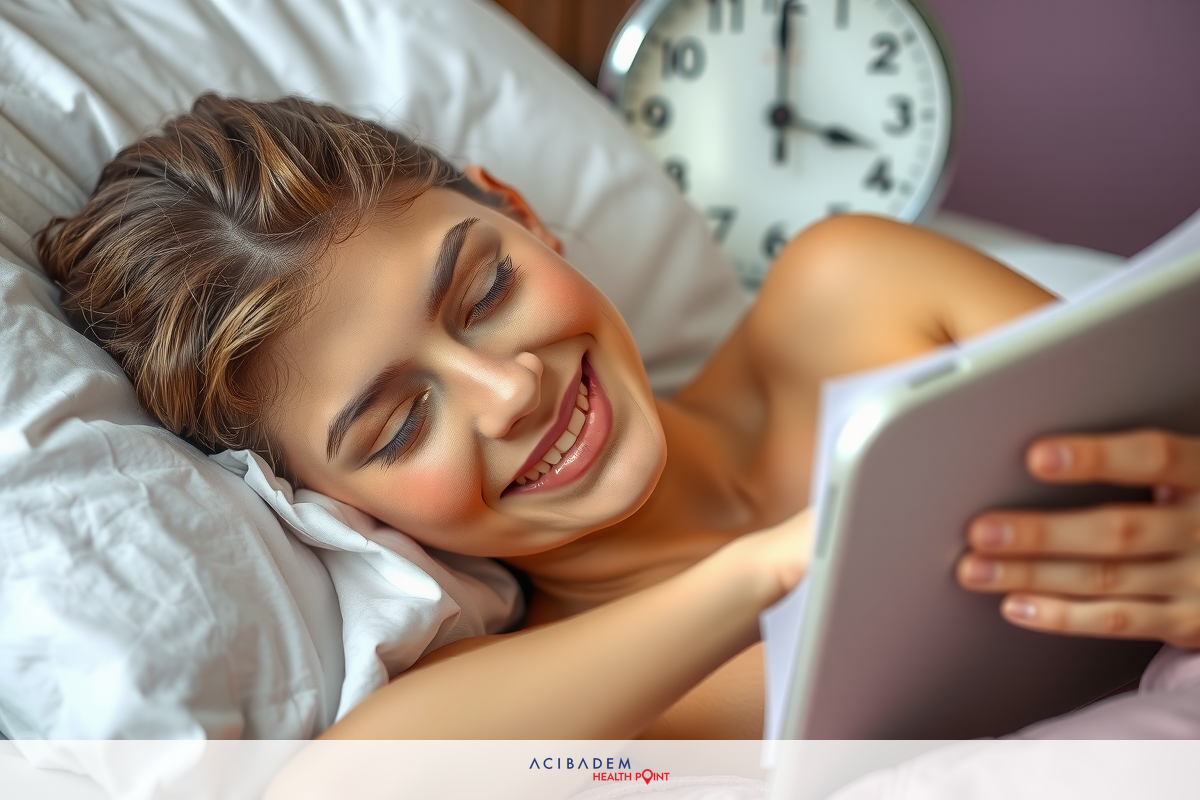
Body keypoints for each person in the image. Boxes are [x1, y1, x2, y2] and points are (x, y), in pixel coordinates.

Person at [36, 95, 1200, 739]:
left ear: (524, 212)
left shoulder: (855, 295)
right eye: (397, 428)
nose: (510, 389)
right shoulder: (593, 694)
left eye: (484, 291)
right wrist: (780, 567)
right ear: (338, 509)